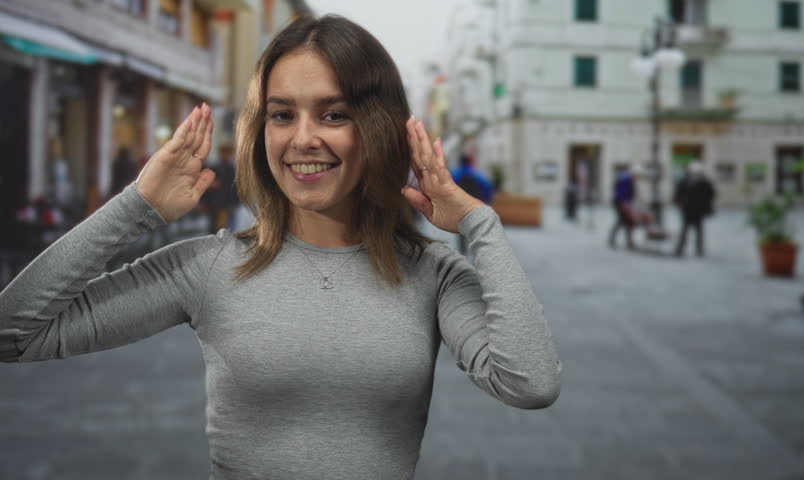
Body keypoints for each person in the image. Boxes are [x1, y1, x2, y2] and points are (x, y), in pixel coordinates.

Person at [0, 14, 561, 480]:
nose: (302, 139)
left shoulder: (433, 275)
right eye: (282, 114)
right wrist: (134, 206)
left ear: (378, 127)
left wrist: (477, 222)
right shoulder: (207, 266)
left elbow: (530, 383)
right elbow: (13, 335)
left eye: (334, 114)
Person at [450, 152, 494, 254]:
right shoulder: (477, 174)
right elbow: (488, 188)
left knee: (461, 231)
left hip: (459, 209)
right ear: (470, 162)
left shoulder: (454, 174)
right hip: (474, 207)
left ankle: (463, 252)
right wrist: (485, 202)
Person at [673, 161, 716, 257]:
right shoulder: (685, 181)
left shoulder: (705, 182)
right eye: (693, 171)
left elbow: (711, 194)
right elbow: (678, 193)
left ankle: (699, 249)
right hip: (687, 209)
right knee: (685, 229)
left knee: (698, 230)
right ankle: (680, 249)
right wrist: (678, 202)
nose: (695, 173)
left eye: (697, 171)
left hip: (698, 210)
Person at [202, 144, 239, 234]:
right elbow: (206, 186)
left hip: (229, 202)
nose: (226, 155)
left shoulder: (232, 168)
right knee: (215, 227)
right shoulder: (213, 167)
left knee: (229, 227)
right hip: (215, 203)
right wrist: (205, 202)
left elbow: (236, 186)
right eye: (224, 152)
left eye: (227, 152)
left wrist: (237, 201)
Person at [608, 165, 639, 249]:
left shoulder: (626, 179)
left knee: (626, 222)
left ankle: (627, 241)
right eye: (636, 175)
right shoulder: (625, 180)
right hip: (621, 203)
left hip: (623, 203)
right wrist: (624, 203)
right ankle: (615, 240)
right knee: (622, 221)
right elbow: (622, 192)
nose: (637, 177)